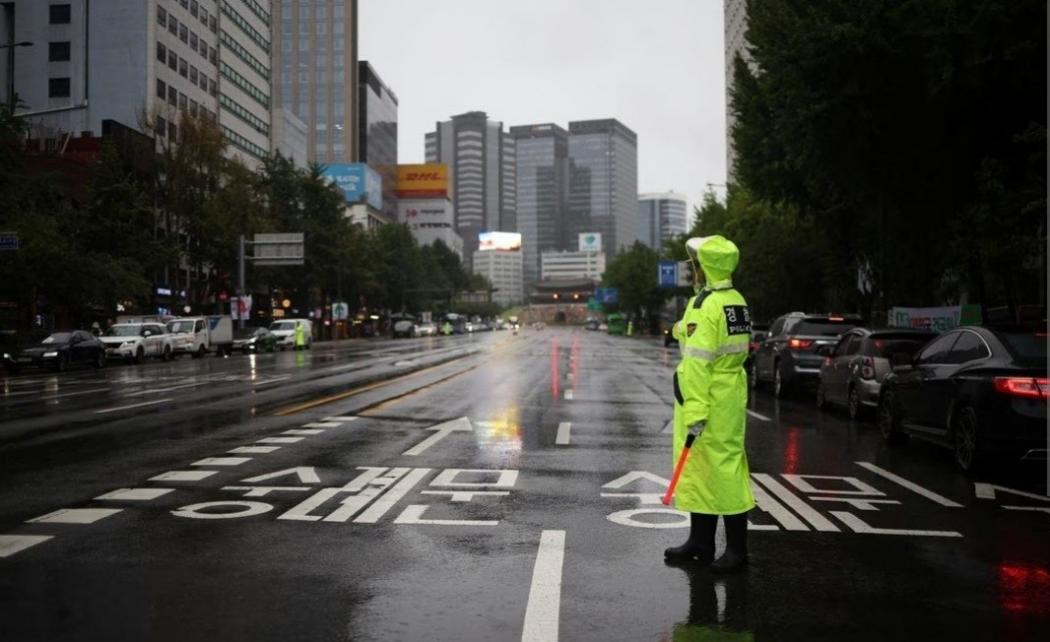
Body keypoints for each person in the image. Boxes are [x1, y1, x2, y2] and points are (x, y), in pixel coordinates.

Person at [665, 235, 755, 573]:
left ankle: (736, 550)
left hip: (708, 399)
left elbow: (699, 362)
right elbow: (713, 339)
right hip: (727, 395)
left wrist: (696, 411)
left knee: (723, 470)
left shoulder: (706, 305)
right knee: (704, 467)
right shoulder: (733, 300)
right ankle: (700, 541)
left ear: (706, 267)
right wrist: (680, 329)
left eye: (696, 264)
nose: (693, 269)